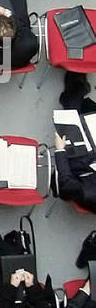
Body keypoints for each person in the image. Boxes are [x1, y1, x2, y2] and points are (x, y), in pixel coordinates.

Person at [55, 74, 96, 212]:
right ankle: (76, 96)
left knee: (71, 117)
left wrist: (60, 150)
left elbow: (66, 183)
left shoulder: (89, 194)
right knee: (91, 114)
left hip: (78, 165)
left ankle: (75, 92)